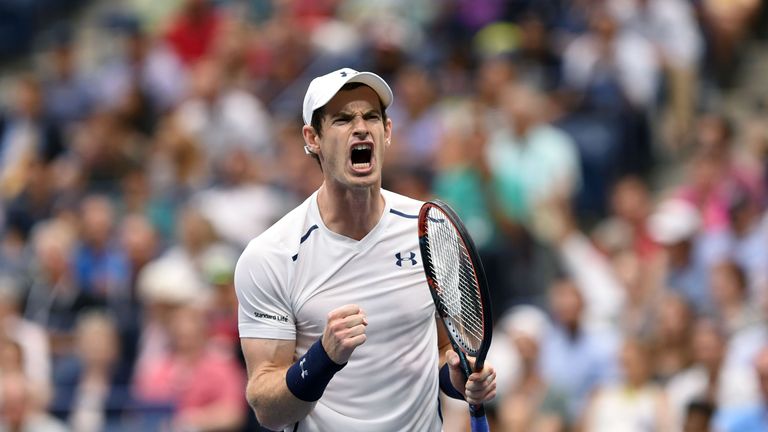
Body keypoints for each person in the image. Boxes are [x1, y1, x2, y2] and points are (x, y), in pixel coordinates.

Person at [234, 68, 497, 431]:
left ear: (387, 132)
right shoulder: (270, 256)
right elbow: (268, 410)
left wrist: (458, 377)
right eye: (342, 119)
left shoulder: (430, 231)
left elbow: (441, 352)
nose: (361, 127)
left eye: (371, 116)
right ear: (313, 138)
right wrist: (323, 358)